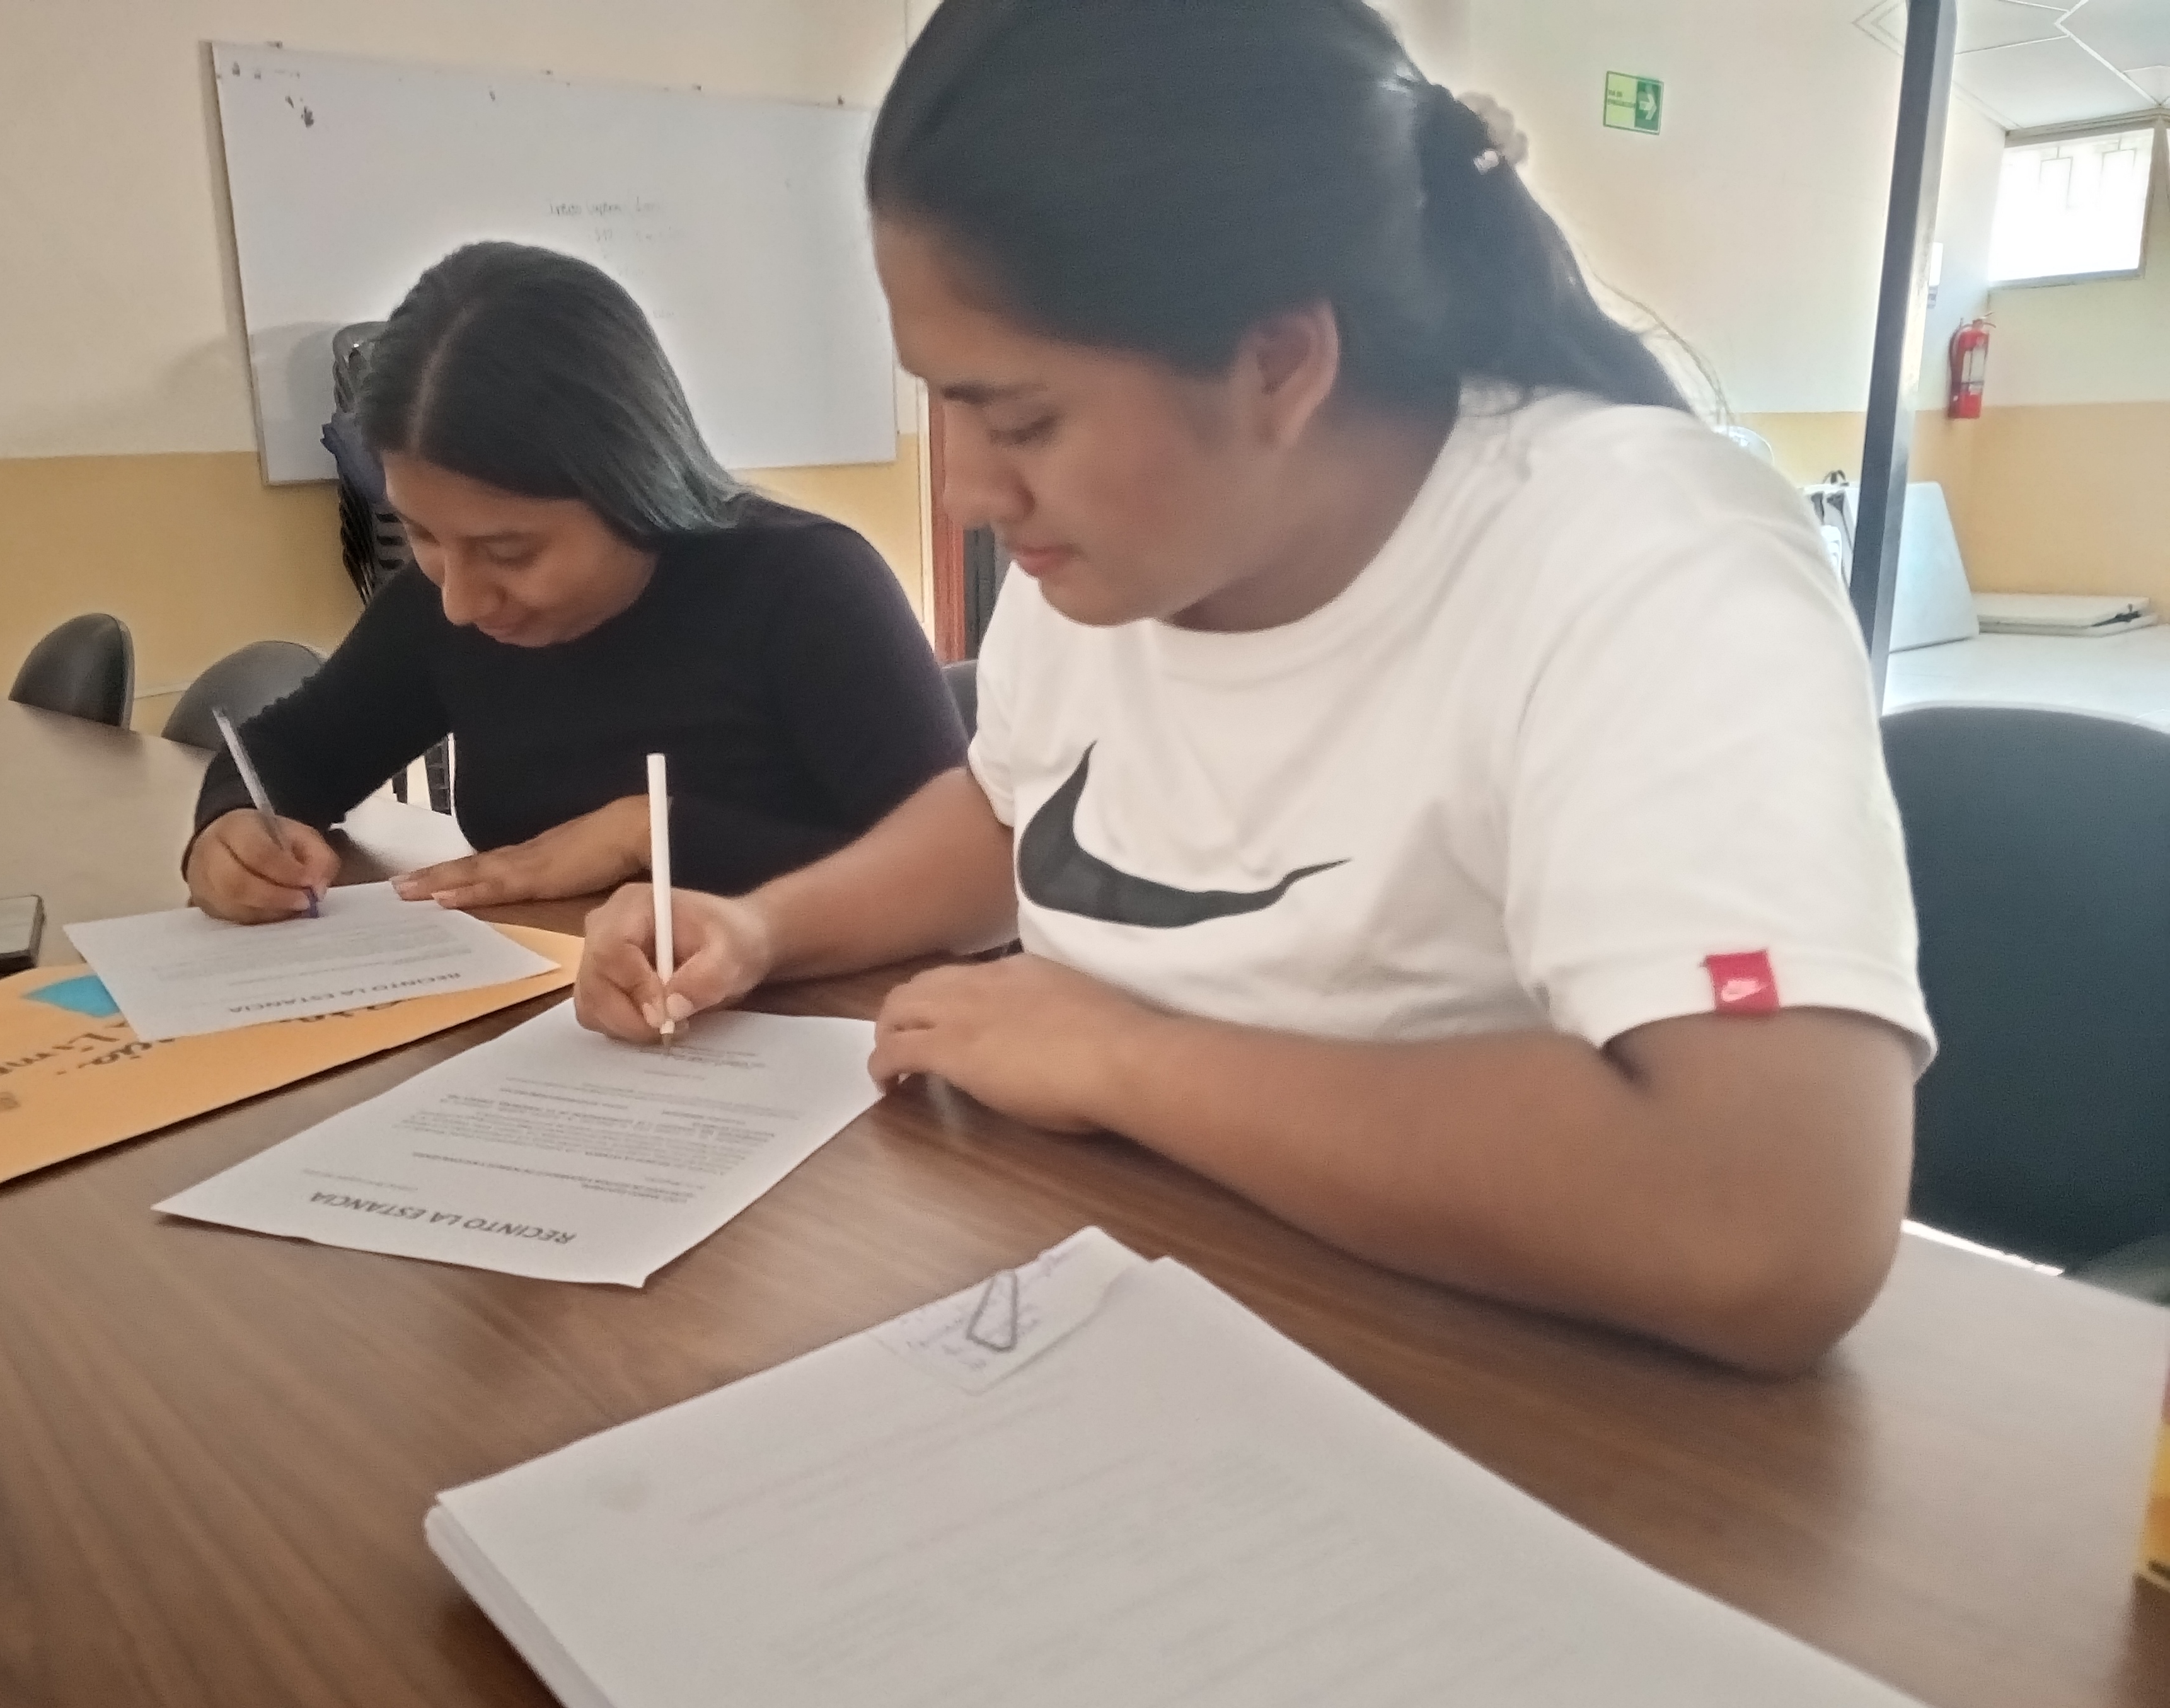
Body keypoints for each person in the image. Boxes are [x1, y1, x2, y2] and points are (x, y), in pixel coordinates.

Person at [576, 0, 1932, 1373]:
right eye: (944, 402)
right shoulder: (1111, 555)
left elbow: (1766, 1221)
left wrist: (1125, 1060)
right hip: (1099, 1286)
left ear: (1278, 363)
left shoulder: (1645, 560)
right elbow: (1011, 816)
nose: (969, 491)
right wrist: (761, 927)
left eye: (1022, 417)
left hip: (1488, 1379)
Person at [184, 242, 966, 921]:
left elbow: (954, 879)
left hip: (820, 1022)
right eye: (422, 534)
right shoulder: (441, 603)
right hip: (555, 1007)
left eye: (510, 552)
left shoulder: (805, 587)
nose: (460, 600)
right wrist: (234, 827)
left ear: (630, 483)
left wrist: (649, 834)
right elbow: (292, 749)